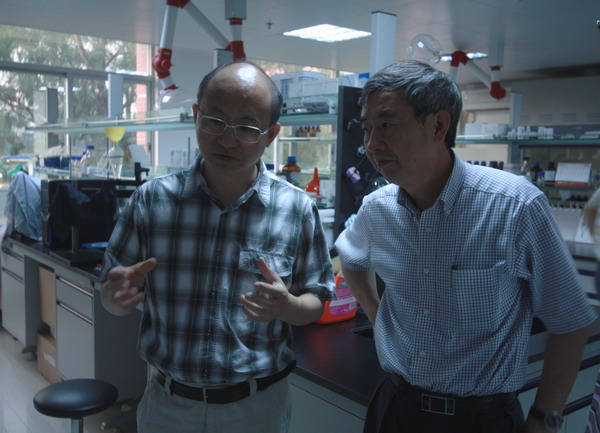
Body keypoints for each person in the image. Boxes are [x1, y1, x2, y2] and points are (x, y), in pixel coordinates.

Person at [334, 60, 597, 433]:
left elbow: (570, 322)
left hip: (481, 419)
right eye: (367, 128)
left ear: (438, 125)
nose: (372, 144)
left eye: (387, 124)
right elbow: (350, 258)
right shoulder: (377, 209)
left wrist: (543, 419)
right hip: (395, 407)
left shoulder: (514, 206)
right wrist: (377, 315)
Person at [99, 61, 335, 433]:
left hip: (256, 410)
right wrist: (114, 297)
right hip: (168, 407)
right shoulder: (151, 201)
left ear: (271, 135)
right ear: (197, 116)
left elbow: (317, 299)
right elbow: (109, 293)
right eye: (215, 121)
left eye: (247, 128)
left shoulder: (297, 209)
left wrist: (288, 307)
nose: (227, 140)